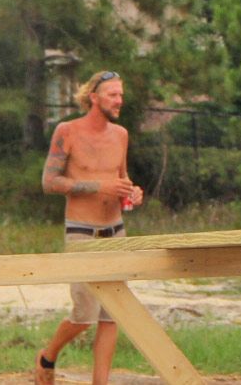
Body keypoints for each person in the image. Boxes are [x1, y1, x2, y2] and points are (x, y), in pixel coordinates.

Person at [34, 69, 144, 385]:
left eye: (121, 94)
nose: (119, 100)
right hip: (81, 231)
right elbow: (50, 182)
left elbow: (121, 180)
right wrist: (98, 187)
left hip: (115, 230)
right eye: (113, 94)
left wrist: (132, 193)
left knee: (112, 315)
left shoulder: (121, 134)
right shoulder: (67, 131)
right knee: (85, 314)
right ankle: (48, 354)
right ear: (94, 98)